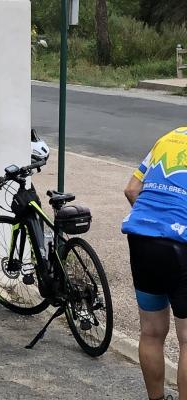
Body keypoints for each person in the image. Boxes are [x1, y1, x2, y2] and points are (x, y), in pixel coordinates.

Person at [122, 126, 187, 400]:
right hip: (180, 242)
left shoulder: (169, 138)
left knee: (151, 331)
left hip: (142, 237)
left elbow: (131, 189)